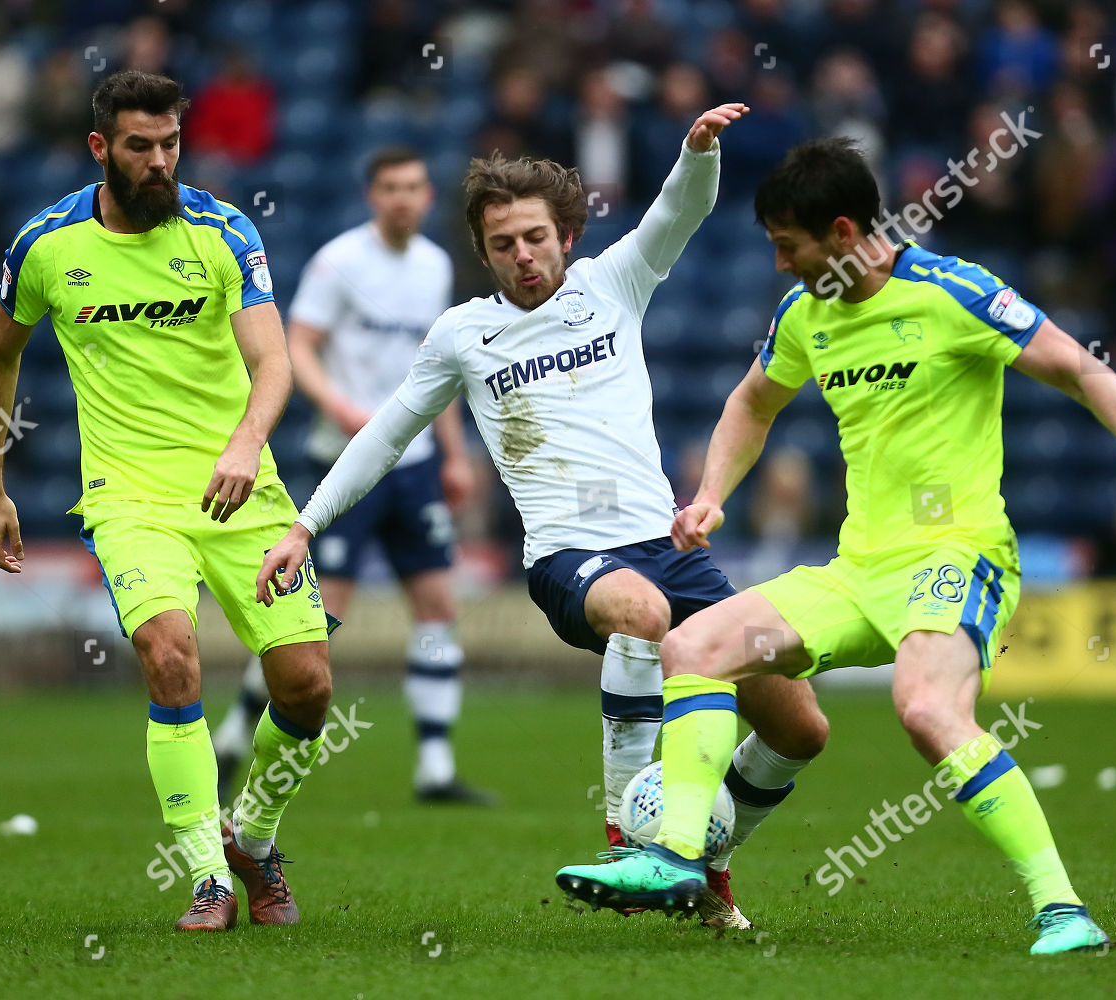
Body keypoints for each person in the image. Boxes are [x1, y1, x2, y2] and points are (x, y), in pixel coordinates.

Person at [556, 137, 1116, 954]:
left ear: (842, 232)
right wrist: (712, 497)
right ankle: (675, 857)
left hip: (957, 555)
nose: (777, 264)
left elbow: (1085, 372)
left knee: (927, 710)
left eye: (787, 246)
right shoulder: (806, 315)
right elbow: (752, 402)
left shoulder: (955, 293)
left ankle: (1063, 909)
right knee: (694, 643)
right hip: (858, 570)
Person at [256, 103, 829, 929]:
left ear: (565, 232)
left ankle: (706, 857)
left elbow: (682, 209)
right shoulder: (463, 334)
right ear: (482, 251)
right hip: (570, 558)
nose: (521, 257)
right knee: (641, 614)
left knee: (799, 727)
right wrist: (306, 524)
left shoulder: (613, 282)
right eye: (501, 244)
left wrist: (695, 150)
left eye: (534, 237)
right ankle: (631, 844)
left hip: (665, 545)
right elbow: (383, 435)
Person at [0, 70, 334, 932]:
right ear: (101, 147)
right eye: (141, 146)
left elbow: (274, 361)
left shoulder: (223, 230)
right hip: (128, 496)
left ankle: (255, 837)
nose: (161, 160)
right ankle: (207, 873)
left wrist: (247, 442)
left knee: (310, 688)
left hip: (242, 491)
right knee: (172, 658)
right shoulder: (45, 245)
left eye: (172, 143)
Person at [213, 146, 493, 805]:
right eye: (391, 186)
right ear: (373, 195)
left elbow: (437, 370)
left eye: (415, 186)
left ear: (428, 197)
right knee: (319, 620)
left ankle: (434, 768)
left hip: (414, 462)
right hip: (341, 460)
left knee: (437, 605)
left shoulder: (433, 265)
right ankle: (234, 733)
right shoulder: (339, 262)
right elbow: (298, 345)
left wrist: (453, 452)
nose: (403, 197)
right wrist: (335, 404)